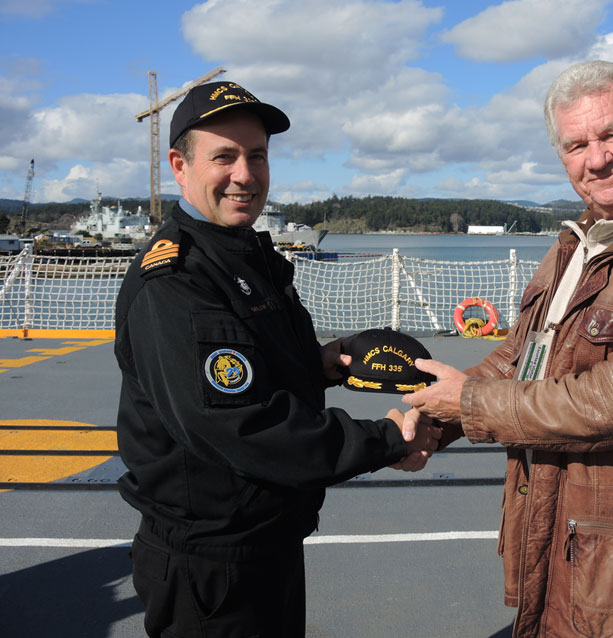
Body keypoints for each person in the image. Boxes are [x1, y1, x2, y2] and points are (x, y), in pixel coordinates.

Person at [403, 60, 613, 637]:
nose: (596, 158)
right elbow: (524, 355)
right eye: (576, 144)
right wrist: (435, 417)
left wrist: (472, 405)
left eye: (611, 134)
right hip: (568, 533)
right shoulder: (579, 241)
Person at [114, 80, 439, 637]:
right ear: (179, 166)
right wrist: (386, 440)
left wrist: (323, 365)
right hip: (213, 566)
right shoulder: (178, 281)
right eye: (224, 156)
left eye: (257, 155)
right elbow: (239, 424)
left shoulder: (243, 259)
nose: (245, 173)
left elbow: (244, 375)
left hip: (265, 540)